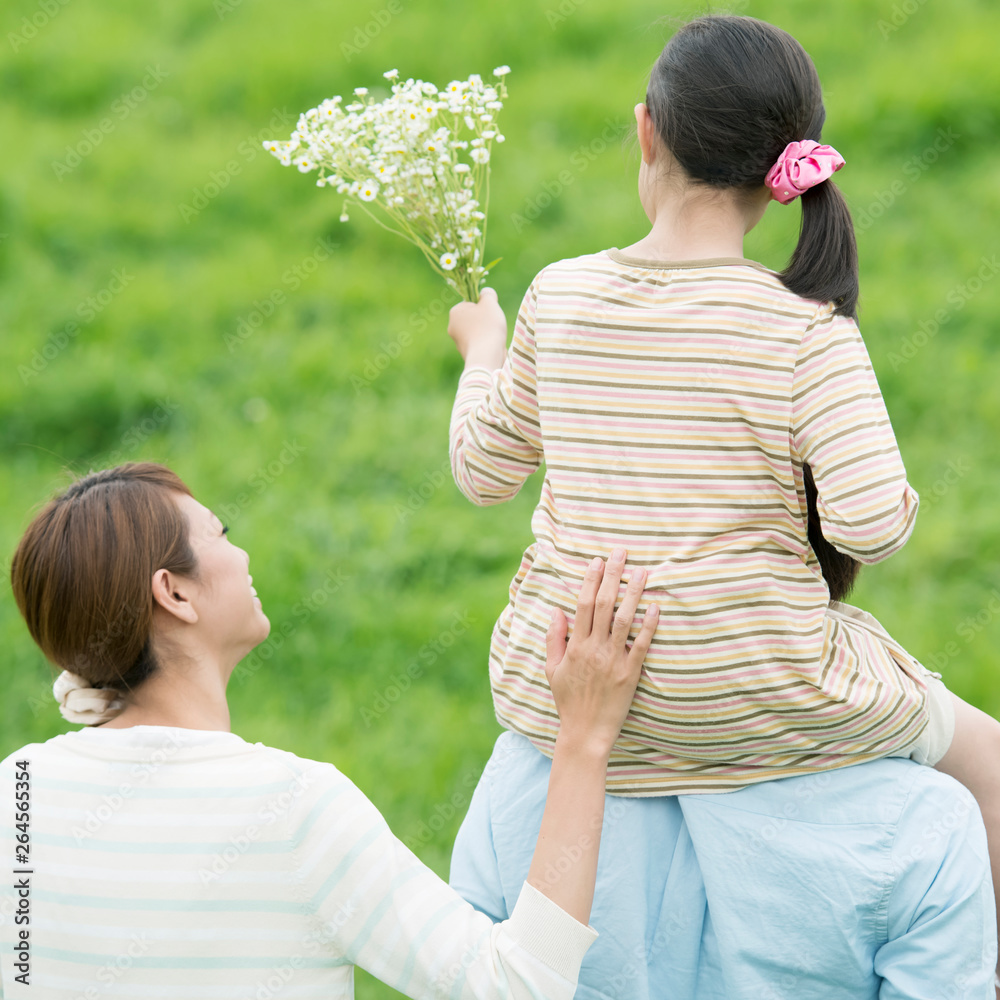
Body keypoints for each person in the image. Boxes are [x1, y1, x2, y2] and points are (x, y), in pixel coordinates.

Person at [444, 11, 1000, 987]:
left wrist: (481, 356)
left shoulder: (561, 296)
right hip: (768, 691)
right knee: (988, 766)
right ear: (784, 172)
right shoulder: (806, 331)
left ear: (646, 132)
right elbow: (871, 522)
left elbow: (484, 470)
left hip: (565, 688)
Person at [0, 462, 658, 998]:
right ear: (174, 594)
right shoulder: (292, 809)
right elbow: (517, 985)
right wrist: (584, 734)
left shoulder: (17, 792)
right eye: (220, 532)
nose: (242, 550)